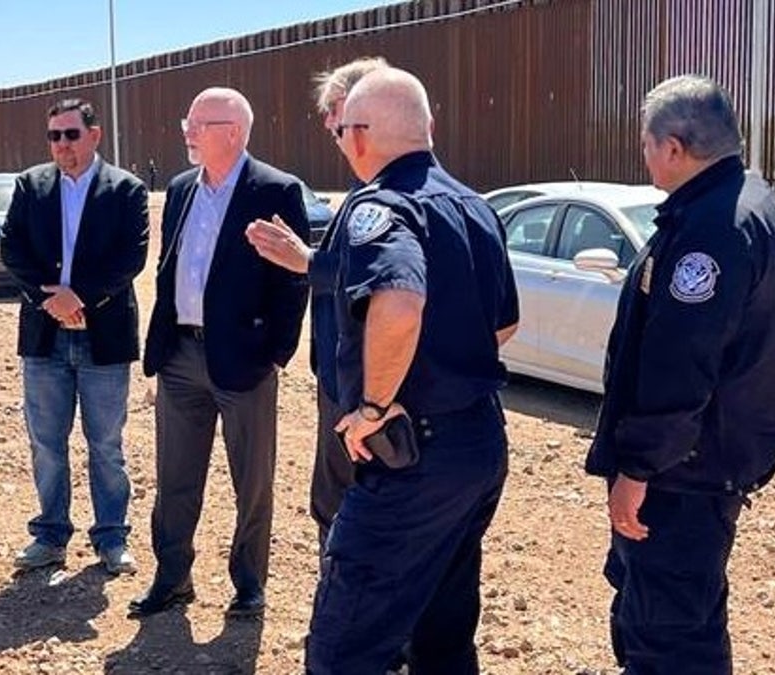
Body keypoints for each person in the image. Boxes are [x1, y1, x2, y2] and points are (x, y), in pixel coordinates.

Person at [303, 67, 519, 674]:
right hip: (476, 443)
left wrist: (373, 405)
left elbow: (399, 300)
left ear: (362, 134)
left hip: (413, 452)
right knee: (443, 633)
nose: (342, 143)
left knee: (344, 647)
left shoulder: (380, 206)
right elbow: (502, 325)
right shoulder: (474, 207)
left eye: (342, 131)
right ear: (429, 128)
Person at [585, 74, 775, 674]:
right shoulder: (758, 210)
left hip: (684, 474)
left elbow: (683, 362)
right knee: (692, 623)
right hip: (717, 465)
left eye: (647, 144)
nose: (644, 156)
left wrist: (638, 467)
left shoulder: (711, 228)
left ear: (673, 147)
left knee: (665, 636)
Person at [129, 87, 310, 620]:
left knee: (252, 481)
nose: (187, 130)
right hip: (181, 354)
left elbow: (293, 282)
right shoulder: (183, 189)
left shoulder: (275, 190)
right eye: (188, 120)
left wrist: (275, 352)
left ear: (233, 131)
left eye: (198, 123)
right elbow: (171, 269)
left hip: (244, 361)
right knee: (175, 474)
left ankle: (249, 583)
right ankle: (172, 575)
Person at [0, 98, 149, 576]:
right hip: (45, 337)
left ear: (94, 135)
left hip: (103, 337)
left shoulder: (126, 190)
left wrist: (77, 297)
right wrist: (50, 301)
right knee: (46, 441)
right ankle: (49, 535)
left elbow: (131, 258)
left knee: (106, 444)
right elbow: (12, 248)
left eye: (71, 134)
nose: (62, 145)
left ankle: (111, 537)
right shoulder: (31, 186)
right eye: (54, 136)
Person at [248, 56, 387, 560]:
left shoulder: (389, 203)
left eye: (336, 116)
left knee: (350, 512)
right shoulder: (365, 197)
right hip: (344, 386)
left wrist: (309, 262)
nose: (330, 127)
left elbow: (390, 291)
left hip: (367, 396)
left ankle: (349, 617)